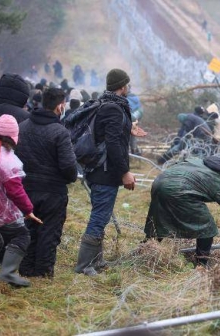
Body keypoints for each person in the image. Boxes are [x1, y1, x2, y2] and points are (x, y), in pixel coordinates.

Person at [143, 154, 220, 266]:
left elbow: (179, 164)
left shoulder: (200, 161)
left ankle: (145, 250)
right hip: (180, 191)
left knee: (159, 220)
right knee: (207, 228)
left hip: (159, 182)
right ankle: (201, 264)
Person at [74, 68, 136, 276]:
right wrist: (125, 172)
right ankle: (84, 265)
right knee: (99, 216)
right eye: (127, 84)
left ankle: (96, 260)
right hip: (104, 171)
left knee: (102, 214)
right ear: (122, 86)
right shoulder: (113, 109)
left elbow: (112, 135)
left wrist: (129, 128)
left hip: (99, 170)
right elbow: (113, 144)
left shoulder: (107, 104)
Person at [16, 88, 78, 278]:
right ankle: (43, 272)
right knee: (49, 232)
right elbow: (68, 166)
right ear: (60, 106)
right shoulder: (60, 132)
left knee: (29, 230)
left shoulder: (23, 126)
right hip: (53, 192)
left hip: (26, 189)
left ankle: (25, 268)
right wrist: (70, 177)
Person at [0, 115, 43, 287]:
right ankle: (7, 273)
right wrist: (28, 210)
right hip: (0, 211)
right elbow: (15, 191)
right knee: (21, 235)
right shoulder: (9, 160)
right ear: (15, 137)